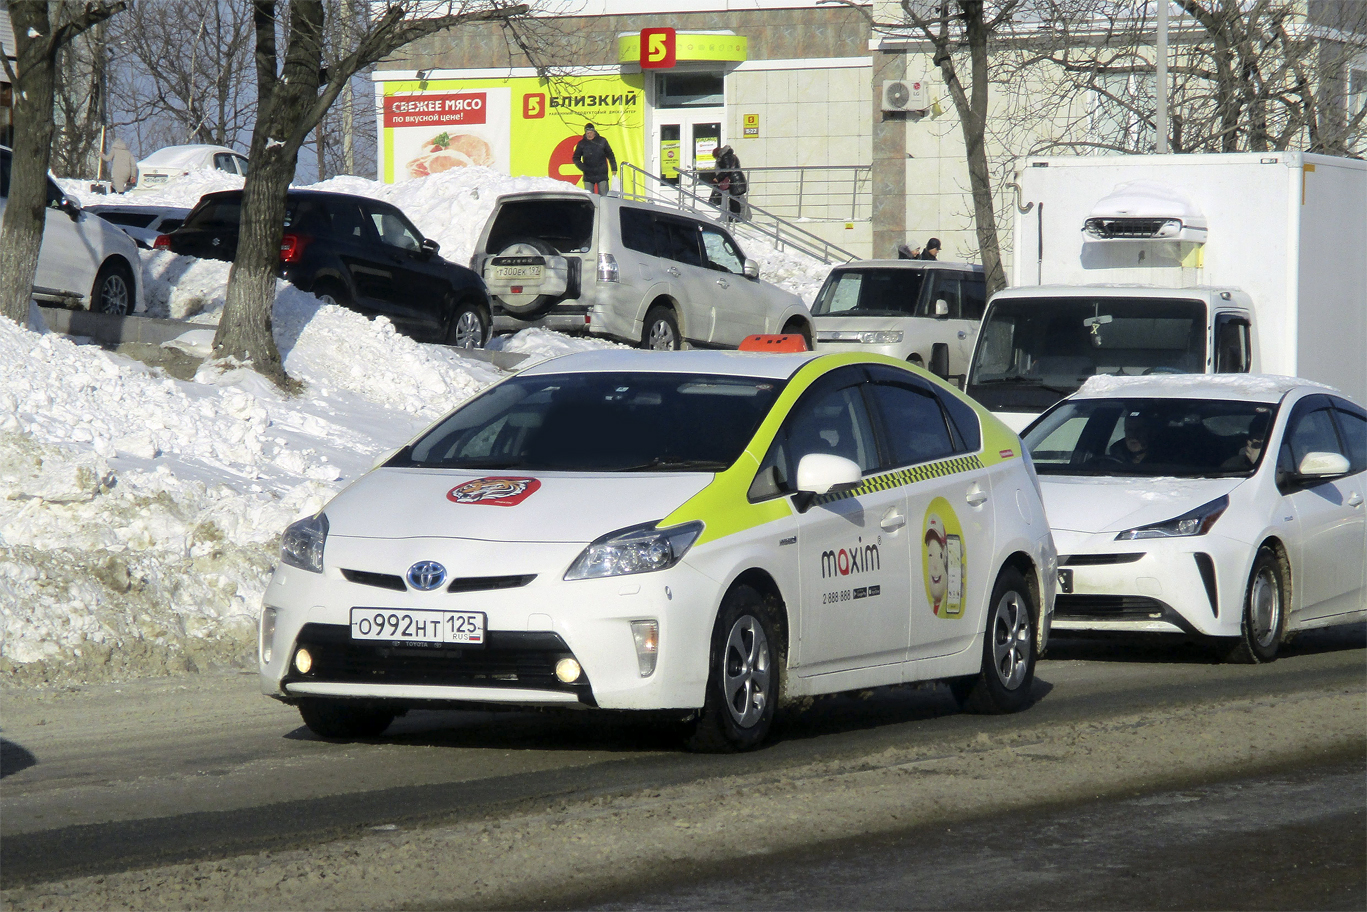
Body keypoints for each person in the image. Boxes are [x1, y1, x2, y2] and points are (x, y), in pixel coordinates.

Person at [572, 124, 616, 195]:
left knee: (603, 197)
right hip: (588, 174)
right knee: (589, 198)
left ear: (594, 132)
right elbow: (575, 158)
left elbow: (610, 155)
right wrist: (583, 167)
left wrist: (614, 168)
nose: (589, 135)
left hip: (602, 174)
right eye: (588, 133)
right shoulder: (582, 144)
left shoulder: (602, 141)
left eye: (591, 133)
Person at [708, 145, 748, 221]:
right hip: (736, 180)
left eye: (715, 157)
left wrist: (717, 178)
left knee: (734, 200)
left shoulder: (726, 156)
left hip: (735, 180)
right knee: (734, 200)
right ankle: (734, 218)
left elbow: (727, 170)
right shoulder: (730, 155)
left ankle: (735, 218)